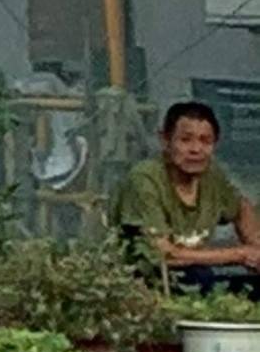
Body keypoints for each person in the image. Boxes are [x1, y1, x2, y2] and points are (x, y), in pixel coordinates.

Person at [109, 99, 260, 290]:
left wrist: (256, 246)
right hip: (139, 283)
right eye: (185, 140)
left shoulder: (212, 175)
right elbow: (163, 255)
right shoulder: (144, 180)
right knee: (200, 276)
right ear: (165, 140)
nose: (196, 150)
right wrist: (240, 254)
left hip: (192, 274)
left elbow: (240, 207)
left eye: (206, 141)